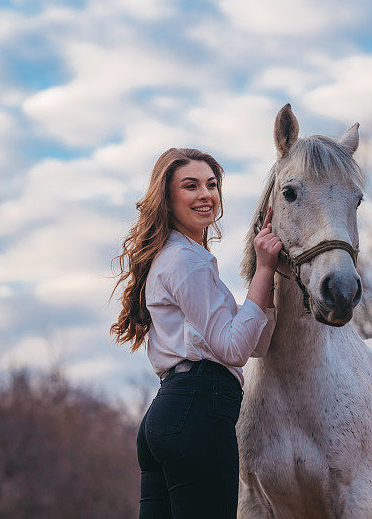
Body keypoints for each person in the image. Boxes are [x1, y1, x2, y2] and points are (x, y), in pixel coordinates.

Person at [110, 147, 282, 518]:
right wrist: (264, 269)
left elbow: (258, 343)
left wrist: (270, 278)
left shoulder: (178, 256)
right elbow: (234, 348)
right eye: (191, 186)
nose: (206, 194)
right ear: (168, 200)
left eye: (212, 184)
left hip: (170, 414)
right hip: (199, 412)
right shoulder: (187, 260)